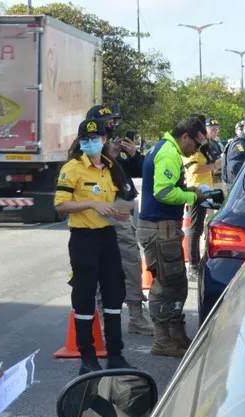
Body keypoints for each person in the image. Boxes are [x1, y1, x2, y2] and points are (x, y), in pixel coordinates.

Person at [54, 119, 134, 374]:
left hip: (107, 236)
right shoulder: (73, 168)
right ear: (80, 141)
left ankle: (115, 354)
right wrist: (90, 203)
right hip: (83, 238)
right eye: (86, 139)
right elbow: (60, 205)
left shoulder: (112, 168)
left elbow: (126, 197)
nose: (91, 142)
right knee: (84, 296)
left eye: (96, 137)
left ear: (104, 140)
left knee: (114, 293)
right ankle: (87, 356)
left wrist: (122, 212)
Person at [137, 116, 208, 357]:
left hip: (162, 226)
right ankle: (163, 341)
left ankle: (176, 337)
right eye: (196, 145)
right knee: (165, 284)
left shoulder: (165, 148)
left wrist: (189, 191)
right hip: (159, 227)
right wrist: (192, 197)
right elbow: (163, 192)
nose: (196, 150)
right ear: (185, 136)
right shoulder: (168, 152)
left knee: (175, 282)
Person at [85, 105, 155, 336]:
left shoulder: (114, 144)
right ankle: (104, 317)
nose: (112, 126)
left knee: (132, 260)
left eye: (113, 122)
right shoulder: (87, 146)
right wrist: (110, 157)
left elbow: (139, 172)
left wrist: (133, 154)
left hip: (121, 208)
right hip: (97, 211)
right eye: (108, 122)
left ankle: (136, 315)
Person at [183, 118, 223, 280]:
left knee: (202, 227)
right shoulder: (193, 149)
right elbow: (194, 170)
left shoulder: (204, 147)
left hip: (206, 189)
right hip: (196, 190)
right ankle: (192, 265)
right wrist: (214, 166)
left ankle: (197, 262)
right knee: (195, 228)